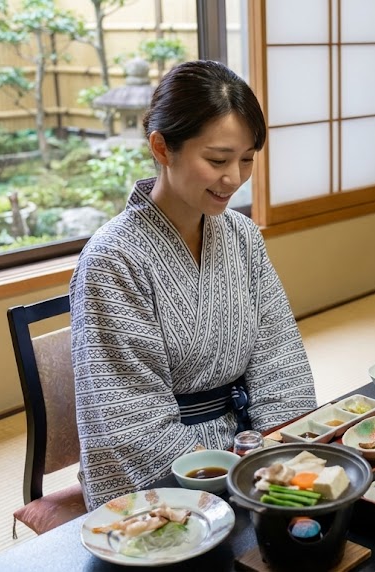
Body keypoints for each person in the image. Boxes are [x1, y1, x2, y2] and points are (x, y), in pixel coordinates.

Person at [69, 60, 317, 509]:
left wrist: (278, 452)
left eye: (246, 160)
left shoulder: (241, 237)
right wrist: (238, 474)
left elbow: (281, 362)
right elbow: (127, 427)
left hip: (251, 453)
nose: (234, 179)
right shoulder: (113, 259)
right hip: (163, 478)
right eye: (217, 160)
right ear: (162, 148)